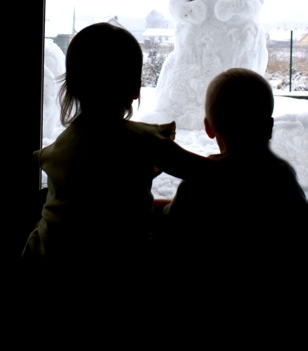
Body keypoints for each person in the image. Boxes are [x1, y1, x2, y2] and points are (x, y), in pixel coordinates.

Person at [20, 22, 219, 312]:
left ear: (73, 86)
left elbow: (93, 203)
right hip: (117, 272)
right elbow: (205, 174)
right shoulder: (142, 141)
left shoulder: (65, 143)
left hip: (46, 263)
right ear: (135, 89)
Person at [160, 68, 308, 327]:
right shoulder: (282, 179)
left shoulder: (199, 184)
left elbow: (171, 230)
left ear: (208, 127)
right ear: (269, 127)